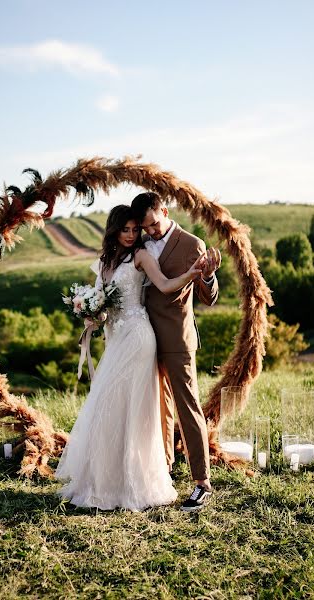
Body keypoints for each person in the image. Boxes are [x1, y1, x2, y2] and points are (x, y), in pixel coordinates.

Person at [55, 205, 205, 511]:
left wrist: (191, 275)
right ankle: (104, 483)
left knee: (127, 405)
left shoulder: (141, 256)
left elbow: (163, 284)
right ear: (114, 229)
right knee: (108, 407)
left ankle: (149, 482)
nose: (132, 235)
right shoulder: (104, 261)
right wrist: (91, 313)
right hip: (116, 339)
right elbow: (101, 302)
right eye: (126, 229)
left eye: (136, 230)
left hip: (138, 336)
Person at [131, 192, 221, 512]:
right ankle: (163, 470)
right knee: (159, 409)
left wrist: (208, 276)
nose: (151, 231)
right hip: (143, 340)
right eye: (146, 228)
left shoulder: (192, 244)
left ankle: (202, 482)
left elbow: (208, 298)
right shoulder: (138, 246)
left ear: (165, 212)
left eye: (154, 225)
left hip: (177, 341)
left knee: (188, 409)